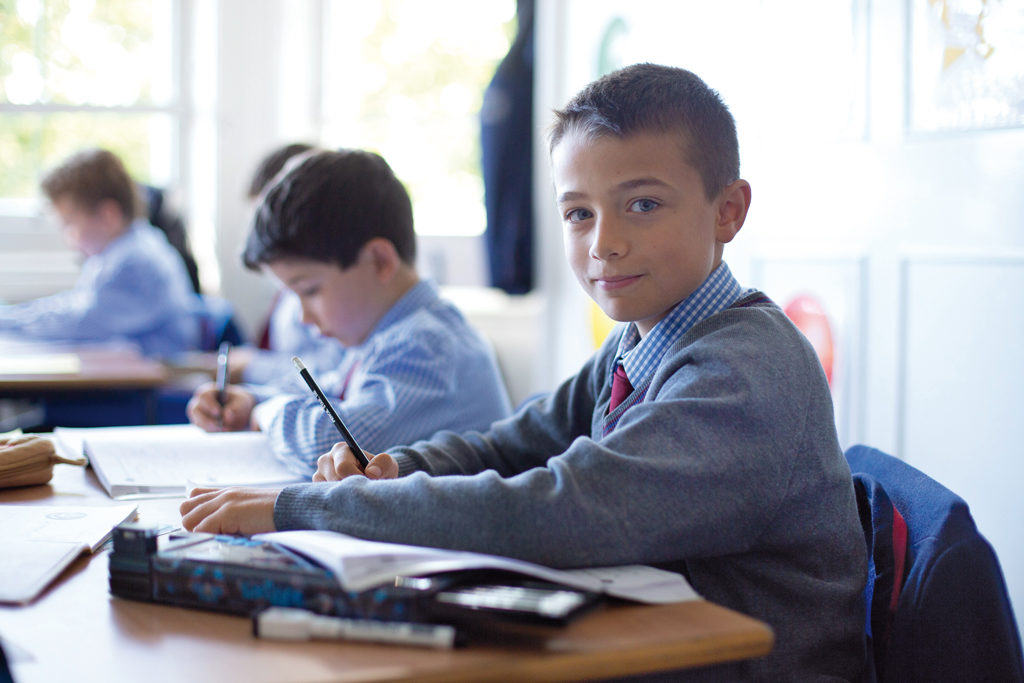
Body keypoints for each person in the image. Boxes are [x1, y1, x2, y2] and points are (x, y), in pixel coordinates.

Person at [181, 64, 866, 679]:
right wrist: (392, 468)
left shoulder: (744, 370)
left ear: (728, 211)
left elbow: (564, 510)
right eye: (579, 213)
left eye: (643, 204)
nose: (604, 243)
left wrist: (304, 507)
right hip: (650, 645)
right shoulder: (640, 342)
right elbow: (512, 444)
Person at [186, 148, 512, 476]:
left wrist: (264, 413)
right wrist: (250, 402)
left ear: (379, 261)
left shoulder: (426, 345)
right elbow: (328, 394)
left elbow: (331, 442)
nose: (303, 317)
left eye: (310, 290)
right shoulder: (381, 336)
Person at [0, 148, 199, 357]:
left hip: (156, 375)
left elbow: (79, 323)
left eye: (70, 225)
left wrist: (6, 321)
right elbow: (72, 304)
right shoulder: (120, 250)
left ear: (108, 216)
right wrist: (10, 315)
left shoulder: (136, 262)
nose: (69, 240)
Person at [222, 142, 347, 389]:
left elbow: (334, 371)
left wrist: (253, 366)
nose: (258, 235)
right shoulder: (291, 282)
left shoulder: (331, 284)